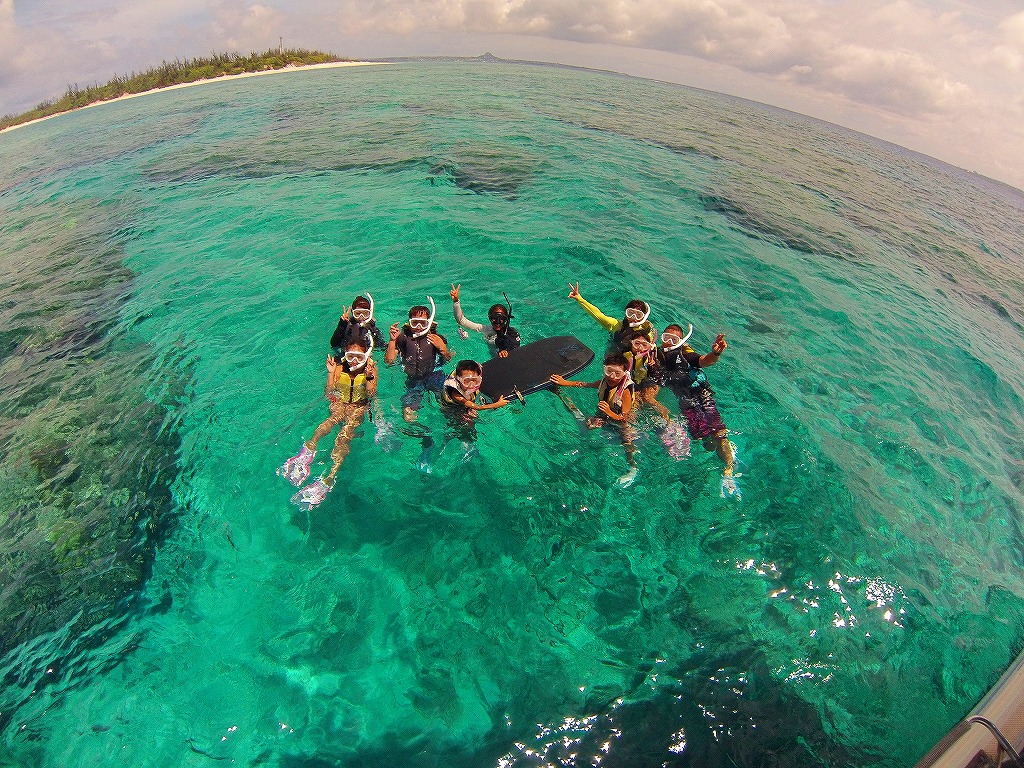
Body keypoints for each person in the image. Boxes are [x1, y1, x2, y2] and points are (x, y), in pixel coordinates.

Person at [278, 340, 377, 509]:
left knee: (344, 437)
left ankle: (329, 477)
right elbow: (328, 392)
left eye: (358, 357)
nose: (353, 360)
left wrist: (369, 376)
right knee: (330, 421)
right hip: (340, 403)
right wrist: (330, 373)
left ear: (365, 356)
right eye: (350, 356)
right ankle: (308, 449)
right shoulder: (339, 368)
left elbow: (371, 393)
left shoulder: (371, 370)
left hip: (358, 407)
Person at [656, 323, 739, 497]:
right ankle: (719, 452)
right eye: (666, 338)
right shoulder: (657, 356)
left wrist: (716, 352)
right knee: (704, 439)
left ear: (681, 341)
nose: (669, 342)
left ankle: (728, 470)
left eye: (674, 339)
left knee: (718, 433)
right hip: (686, 402)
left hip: (703, 395)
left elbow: (704, 360)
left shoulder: (685, 353)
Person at [551, 352, 639, 486]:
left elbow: (624, 417)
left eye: (617, 374)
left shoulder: (625, 391)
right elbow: (585, 384)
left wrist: (609, 412)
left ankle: (632, 469)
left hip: (620, 420)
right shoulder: (604, 381)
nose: (612, 377)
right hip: (604, 414)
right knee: (587, 425)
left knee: (627, 442)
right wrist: (565, 383)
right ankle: (559, 392)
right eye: (608, 371)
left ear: (625, 374)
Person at [384, 299, 453, 423]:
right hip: (413, 380)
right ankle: (421, 432)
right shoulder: (403, 338)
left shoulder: (436, 338)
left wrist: (442, 347)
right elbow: (388, 361)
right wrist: (392, 340)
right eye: (415, 323)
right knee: (408, 416)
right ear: (409, 323)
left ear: (429, 322)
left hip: (435, 375)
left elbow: (448, 358)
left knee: (448, 405)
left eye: (423, 323)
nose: (419, 327)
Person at [436, 360, 509, 462]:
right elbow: (477, 407)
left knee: (472, 417)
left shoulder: (473, 373)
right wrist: (496, 404)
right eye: (466, 381)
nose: (471, 385)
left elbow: (478, 367)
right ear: (458, 380)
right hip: (453, 410)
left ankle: (467, 441)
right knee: (468, 421)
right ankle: (464, 444)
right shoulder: (456, 394)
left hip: (465, 406)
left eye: (475, 380)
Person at [566, 282, 656, 352]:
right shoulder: (616, 325)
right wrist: (580, 299)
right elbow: (598, 314)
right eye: (630, 313)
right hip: (615, 357)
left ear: (644, 317)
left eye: (638, 315)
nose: (633, 317)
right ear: (625, 313)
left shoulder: (646, 332)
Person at [449, 284, 521, 357]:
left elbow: (514, 346)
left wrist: (505, 350)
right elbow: (461, 321)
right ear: (489, 318)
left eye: (501, 319)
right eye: (494, 318)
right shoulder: (485, 329)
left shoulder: (512, 333)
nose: (497, 322)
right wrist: (456, 302)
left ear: (506, 319)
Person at [624, 331, 671, 423]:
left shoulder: (652, 358)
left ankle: (667, 418)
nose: (640, 348)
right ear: (631, 344)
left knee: (647, 398)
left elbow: (659, 378)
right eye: (636, 344)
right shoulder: (626, 356)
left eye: (644, 345)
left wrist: (652, 366)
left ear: (648, 346)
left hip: (651, 383)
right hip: (636, 384)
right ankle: (630, 429)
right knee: (634, 403)